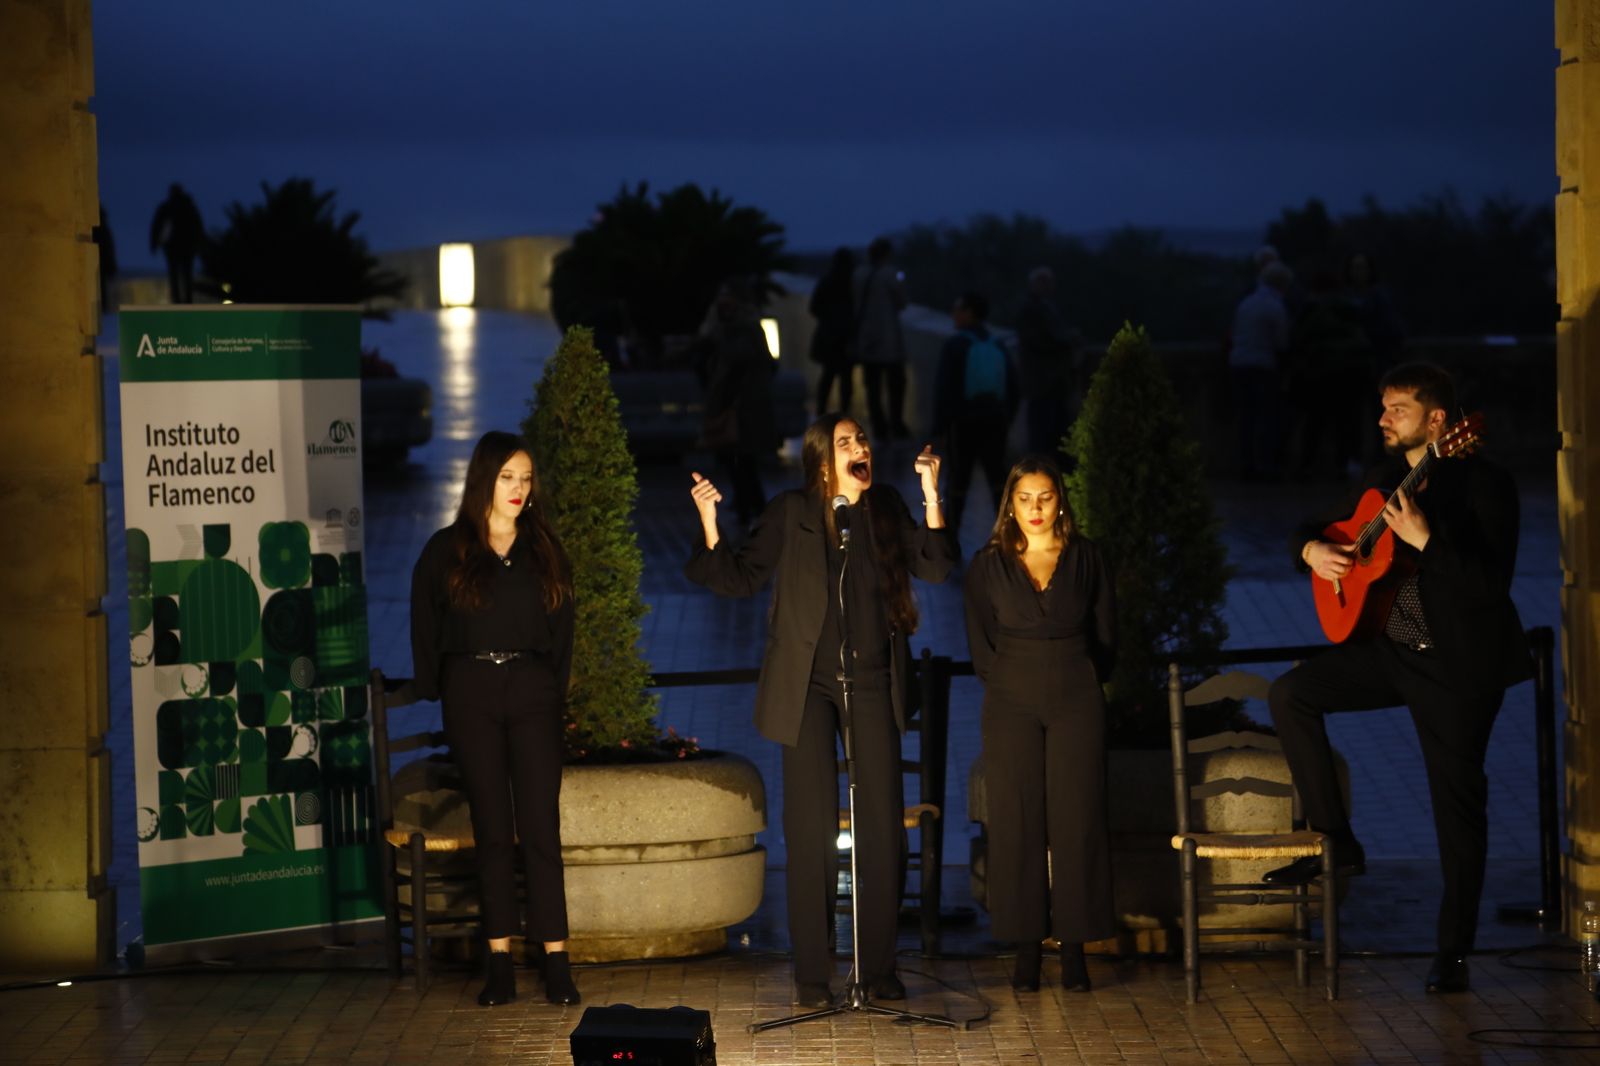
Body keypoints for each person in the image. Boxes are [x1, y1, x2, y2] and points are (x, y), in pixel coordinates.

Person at [1264, 362, 1530, 994]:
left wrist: (1428, 539)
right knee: (1292, 693)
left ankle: (1453, 953)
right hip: (1392, 651)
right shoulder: (1384, 479)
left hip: (1457, 667)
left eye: (1398, 409)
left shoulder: (1486, 485)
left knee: (1455, 809)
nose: (1382, 419)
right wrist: (1312, 552)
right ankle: (1336, 838)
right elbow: (1312, 528)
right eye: (1382, 408)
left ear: (1440, 422)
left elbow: (1491, 588)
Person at [685, 415, 956, 1007]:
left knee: (881, 826)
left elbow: (935, 564)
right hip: (805, 685)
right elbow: (740, 576)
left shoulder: (882, 506)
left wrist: (931, 496)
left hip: (872, 680)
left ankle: (878, 971)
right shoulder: (794, 512)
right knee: (808, 828)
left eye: (863, 439)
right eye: (846, 442)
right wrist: (710, 524)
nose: (860, 447)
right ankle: (812, 976)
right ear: (823, 461)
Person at [410, 430, 581, 1007]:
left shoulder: (544, 549)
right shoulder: (447, 549)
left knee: (539, 826)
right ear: (484, 478)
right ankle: (500, 958)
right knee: (491, 830)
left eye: (526, 478)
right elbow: (425, 625)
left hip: (532, 691)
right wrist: (439, 688)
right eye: (508, 476)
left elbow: (563, 631)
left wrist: (550, 693)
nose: (518, 488)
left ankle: (555, 955)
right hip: (472, 692)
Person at [964, 455, 1116, 994]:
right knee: (1016, 819)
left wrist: (1078, 675)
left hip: (1077, 693)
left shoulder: (1087, 557)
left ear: (1060, 500)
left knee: (1078, 818)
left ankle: (1075, 949)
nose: (1035, 509)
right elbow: (980, 644)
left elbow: (1106, 636)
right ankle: (1025, 949)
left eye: (1045, 497)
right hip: (1010, 698)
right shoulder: (988, 564)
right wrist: (1012, 681)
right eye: (1024, 498)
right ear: (1010, 502)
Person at [932, 290, 1018, 538]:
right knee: (997, 478)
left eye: (958, 309)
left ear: (969, 313)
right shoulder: (998, 344)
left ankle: (950, 536)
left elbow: (944, 388)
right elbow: (1014, 387)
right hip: (995, 419)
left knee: (959, 477)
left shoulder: (955, 345)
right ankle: (1008, 532)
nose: (954, 314)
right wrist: (1006, 417)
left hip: (964, 421)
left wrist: (940, 427)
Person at [693, 276, 777, 527]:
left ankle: (752, 506)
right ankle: (749, 505)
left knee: (742, 458)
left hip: (740, 404)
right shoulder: (729, 328)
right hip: (735, 403)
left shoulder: (739, 329)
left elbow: (741, 363)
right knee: (738, 459)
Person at [1229, 260, 1293, 480]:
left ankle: (1246, 464)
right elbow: (1281, 342)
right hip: (1263, 366)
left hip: (1239, 363)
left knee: (1246, 418)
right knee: (1265, 418)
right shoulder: (1275, 306)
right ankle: (1264, 466)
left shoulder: (1246, 303)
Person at [1014, 267, 1080, 455]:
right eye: (1042, 282)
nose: (1047, 286)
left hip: (1051, 384)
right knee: (1043, 435)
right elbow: (1039, 340)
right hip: (1042, 384)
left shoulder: (1045, 308)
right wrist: (1066, 340)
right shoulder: (1031, 309)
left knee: (1054, 433)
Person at [852, 237, 911, 440]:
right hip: (889, 338)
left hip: (867, 339)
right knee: (896, 384)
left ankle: (879, 427)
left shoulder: (859, 275)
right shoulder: (890, 274)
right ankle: (896, 424)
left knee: (873, 387)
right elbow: (902, 301)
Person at [809, 247, 858, 416]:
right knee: (846, 377)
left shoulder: (826, 282)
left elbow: (814, 308)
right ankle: (845, 411)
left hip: (829, 336)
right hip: (847, 336)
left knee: (828, 376)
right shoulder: (852, 284)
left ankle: (821, 409)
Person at [148, 183, 203, 304]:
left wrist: (154, 245)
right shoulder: (189, 207)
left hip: (172, 248)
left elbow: (157, 227)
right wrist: (199, 246)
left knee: (174, 274)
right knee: (187, 275)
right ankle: (188, 300)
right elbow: (198, 228)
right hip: (188, 247)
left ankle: (177, 300)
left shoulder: (167, 207)